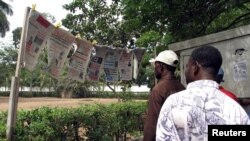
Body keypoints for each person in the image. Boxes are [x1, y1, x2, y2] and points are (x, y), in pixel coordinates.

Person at [156, 45, 250, 141]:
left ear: (195, 67)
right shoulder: (236, 110)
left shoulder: (172, 103)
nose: (186, 71)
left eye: (187, 66)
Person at [143, 50, 185, 141]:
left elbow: (152, 125)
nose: (154, 68)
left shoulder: (158, 90)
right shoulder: (182, 88)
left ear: (161, 66)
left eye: (155, 65)